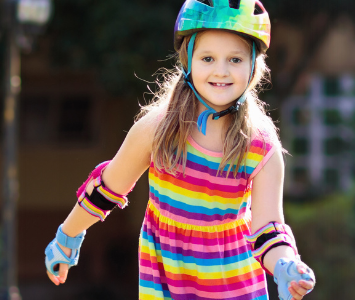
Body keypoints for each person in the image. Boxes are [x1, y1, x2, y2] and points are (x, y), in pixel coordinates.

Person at [43, 0, 316, 299]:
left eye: (235, 60)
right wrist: (66, 236)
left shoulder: (261, 147)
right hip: (166, 286)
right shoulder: (156, 130)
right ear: (188, 61)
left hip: (236, 288)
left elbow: (267, 232)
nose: (221, 71)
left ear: (253, 66)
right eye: (208, 58)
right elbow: (106, 189)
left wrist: (285, 266)